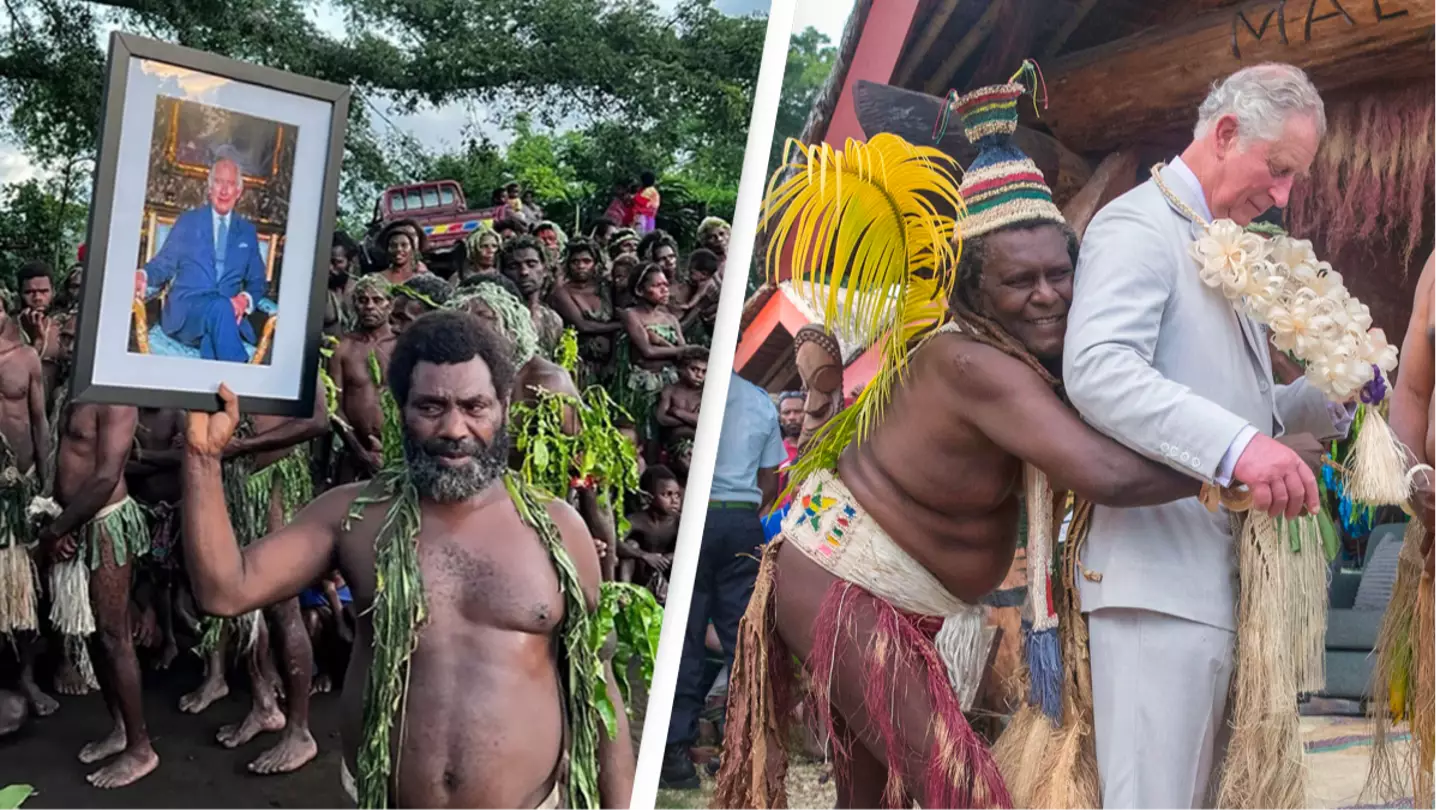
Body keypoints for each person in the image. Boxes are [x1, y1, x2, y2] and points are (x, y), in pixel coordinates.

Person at [712, 69, 1212, 810]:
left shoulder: (1015, 360)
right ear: (975, 290)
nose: (1047, 295)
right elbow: (1106, 473)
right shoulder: (970, 362)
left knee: (875, 801)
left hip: (884, 595)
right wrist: (1233, 463)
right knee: (968, 793)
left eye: (1058, 275)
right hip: (843, 585)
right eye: (1020, 283)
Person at [180, 310, 634, 810]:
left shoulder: (559, 529)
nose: (455, 428)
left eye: (474, 406)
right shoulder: (354, 515)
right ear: (400, 409)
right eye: (431, 406)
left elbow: (599, 688)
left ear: (504, 405)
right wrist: (202, 459)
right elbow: (225, 591)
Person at [1061, 64, 1351, 810]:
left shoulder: (1226, 243)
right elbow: (1097, 370)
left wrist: (1326, 399)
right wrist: (1241, 448)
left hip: (1220, 584)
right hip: (1156, 584)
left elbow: (1240, 407)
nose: (1284, 195)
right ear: (1225, 134)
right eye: (1278, 169)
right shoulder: (1137, 225)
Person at [37, 315, 156, 788]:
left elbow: (106, 474)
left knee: (113, 635)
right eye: (63, 336)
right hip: (72, 521)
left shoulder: (115, 392)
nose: (63, 343)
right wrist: (56, 519)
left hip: (104, 523)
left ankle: (141, 748)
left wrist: (59, 529)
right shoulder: (75, 387)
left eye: (70, 337)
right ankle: (120, 727)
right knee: (94, 635)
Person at [662, 371, 787, 789]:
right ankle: (744, 752)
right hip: (739, 520)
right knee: (743, 640)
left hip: (696, 518)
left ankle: (676, 755)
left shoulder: (691, 394)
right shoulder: (759, 401)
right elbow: (769, 480)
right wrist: (741, 515)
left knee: (686, 634)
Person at [135, 154, 270, 363]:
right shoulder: (188, 222)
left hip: (225, 321)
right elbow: (164, 264)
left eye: (230, 184)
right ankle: (242, 380)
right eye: (218, 182)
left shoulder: (247, 233)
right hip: (188, 315)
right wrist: (143, 275)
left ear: (239, 191)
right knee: (220, 307)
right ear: (209, 188)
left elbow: (257, 281)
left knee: (212, 338)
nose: (224, 190)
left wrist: (244, 300)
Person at [0, 288, 52, 715]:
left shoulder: (26, 359)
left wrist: (47, 488)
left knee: (28, 591)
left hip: (24, 486)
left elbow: (39, 420)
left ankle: (27, 679)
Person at [330, 274, 398, 481]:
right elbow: (335, 406)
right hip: (355, 451)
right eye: (363, 300)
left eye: (377, 300)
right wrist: (361, 453)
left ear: (390, 305)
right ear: (355, 306)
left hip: (399, 451)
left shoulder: (404, 345)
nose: (369, 306)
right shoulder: (342, 347)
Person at [618, 265, 685, 448]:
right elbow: (647, 351)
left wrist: (662, 343)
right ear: (640, 290)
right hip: (644, 385)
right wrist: (680, 351)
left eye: (666, 284)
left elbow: (684, 354)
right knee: (646, 435)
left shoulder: (670, 319)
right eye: (657, 286)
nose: (665, 290)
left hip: (670, 381)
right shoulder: (631, 315)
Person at [550, 238, 622, 386]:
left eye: (586, 261)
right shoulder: (562, 292)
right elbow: (583, 326)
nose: (581, 266)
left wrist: (614, 360)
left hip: (612, 361)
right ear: (568, 265)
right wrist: (622, 325)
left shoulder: (606, 288)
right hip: (580, 364)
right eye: (575, 262)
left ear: (595, 263)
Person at [617, 465, 682, 598]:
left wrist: (670, 557)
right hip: (642, 577)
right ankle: (625, 595)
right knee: (631, 544)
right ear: (648, 497)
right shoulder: (636, 520)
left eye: (677, 495)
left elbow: (696, 547)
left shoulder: (680, 522)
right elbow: (614, 542)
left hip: (668, 577)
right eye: (667, 494)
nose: (674, 500)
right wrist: (644, 555)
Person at [500, 235, 565, 360]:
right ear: (503, 272)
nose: (524, 272)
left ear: (545, 269)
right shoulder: (499, 318)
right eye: (514, 266)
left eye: (531, 264)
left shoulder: (552, 320)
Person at [16, 261, 61, 396]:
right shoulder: (7, 330)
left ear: (53, 292)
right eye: (29, 292)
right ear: (20, 294)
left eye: (43, 291)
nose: (37, 298)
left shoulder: (62, 328)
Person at [656, 346, 707, 464]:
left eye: (704, 371)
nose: (699, 375)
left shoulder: (706, 394)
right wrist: (691, 419)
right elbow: (661, 418)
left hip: (699, 445)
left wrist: (678, 413)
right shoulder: (670, 390)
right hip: (671, 443)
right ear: (682, 368)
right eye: (694, 369)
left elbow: (705, 423)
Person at [327, 232, 361, 337]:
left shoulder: (361, 290)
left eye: (337, 262)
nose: (330, 268)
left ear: (350, 262)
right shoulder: (318, 290)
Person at [378, 221, 423, 287]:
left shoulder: (423, 275)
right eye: (393, 245)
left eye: (404, 245)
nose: (398, 249)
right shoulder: (378, 279)